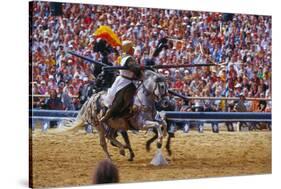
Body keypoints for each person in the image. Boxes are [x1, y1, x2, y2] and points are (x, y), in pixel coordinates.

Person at [100, 40, 142, 123]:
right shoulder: (128, 58)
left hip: (128, 80)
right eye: (132, 49)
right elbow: (134, 68)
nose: (133, 50)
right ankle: (109, 115)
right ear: (129, 49)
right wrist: (140, 68)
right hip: (125, 81)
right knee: (121, 98)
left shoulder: (127, 57)